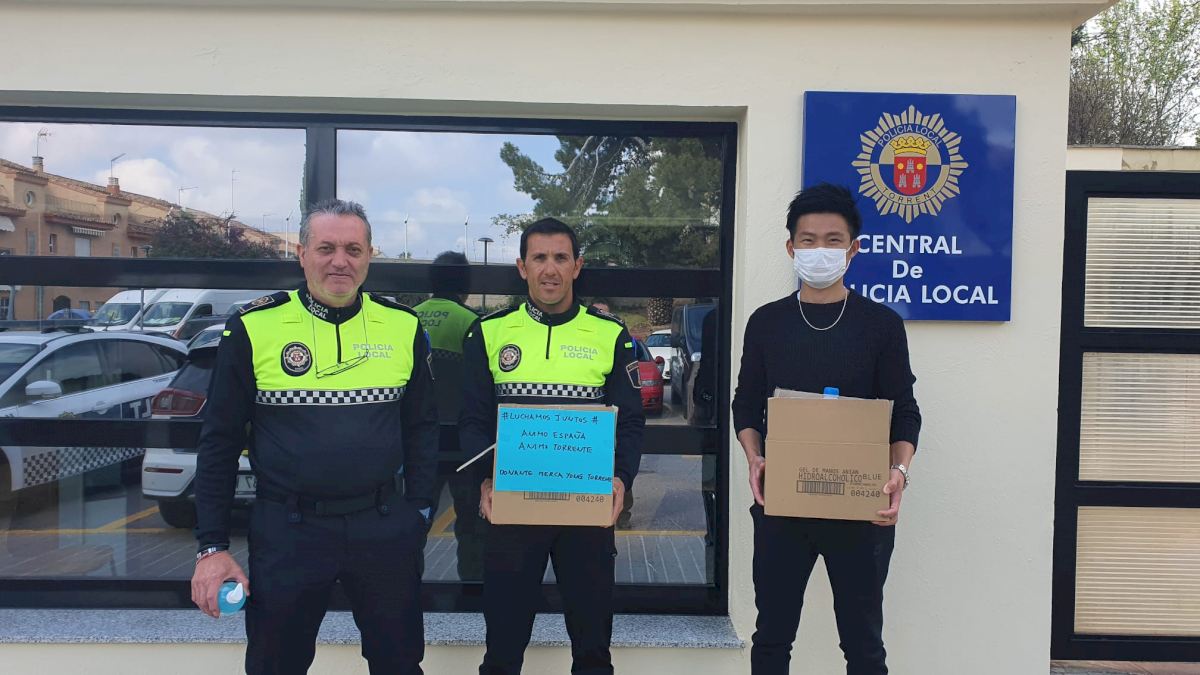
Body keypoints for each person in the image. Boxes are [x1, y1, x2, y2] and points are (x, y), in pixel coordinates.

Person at [190, 199, 438, 675]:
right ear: (302, 254)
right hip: (289, 529)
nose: (339, 261)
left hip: (383, 526)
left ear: (369, 256)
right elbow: (219, 441)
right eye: (326, 248)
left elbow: (422, 427)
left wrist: (420, 510)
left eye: (353, 249)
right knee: (275, 664)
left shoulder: (403, 325)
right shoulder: (254, 326)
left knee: (399, 663)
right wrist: (212, 547)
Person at [731, 183, 921, 675]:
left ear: (853, 249)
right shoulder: (767, 323)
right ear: (790, 247)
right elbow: (746, 404)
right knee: (772, 638)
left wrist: (899, 471)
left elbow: (904, 411)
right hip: (783, 505)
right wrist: (754, 456)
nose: (820, 251)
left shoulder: (881, 325)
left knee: (863, 645)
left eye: (833, 240)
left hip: (860, 508)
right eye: (808, 240)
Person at [460, 217, 646, 675]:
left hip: (585, 511)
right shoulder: (488, 332)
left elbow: (630, 422)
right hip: (513, 511)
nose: (550, 269)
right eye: (539, 258)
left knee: (593, 652)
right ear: (522, 267)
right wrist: (483, 482)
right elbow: (474, 421)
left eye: (561, 258)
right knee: (502, 652)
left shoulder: (610, 334)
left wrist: (621, 480)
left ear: (577, 266)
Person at [414, 251, 488, 580]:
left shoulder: (410, 318)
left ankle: (407, 588)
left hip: (420, 440)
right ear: (465, 284)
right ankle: (471, 588)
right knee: (470, 523)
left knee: (414, 520)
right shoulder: (470, 322)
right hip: (461, 441)